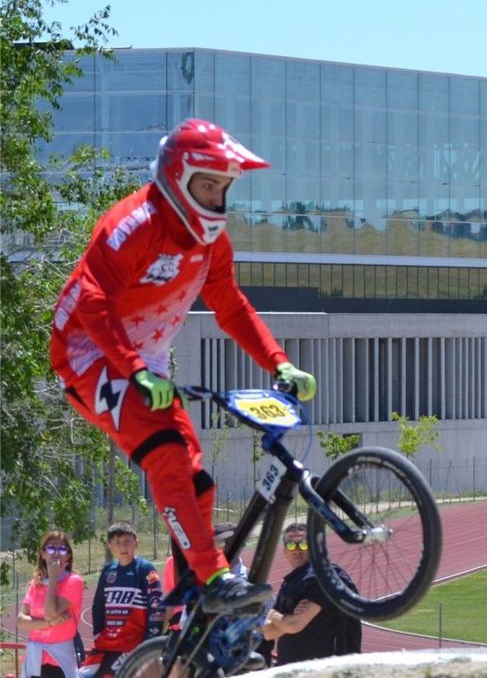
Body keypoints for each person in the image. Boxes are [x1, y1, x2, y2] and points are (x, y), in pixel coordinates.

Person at [49, 119, 317, 614]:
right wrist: (134, 369)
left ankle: (191, 590)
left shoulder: (213, 241)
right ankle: (215, 575)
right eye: (207, 184)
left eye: (224, 187)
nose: (216, 197)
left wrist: (278, 362)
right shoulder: (134, 223)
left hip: (140, 360)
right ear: (177, 177)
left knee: (197, 483)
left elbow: (231, 307)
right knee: (166, 452)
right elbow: (93, 301)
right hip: (88, 353)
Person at [260, 523, 361, 665]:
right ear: (284, 551)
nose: (296, 550)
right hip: (292, 668)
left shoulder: (324, 576)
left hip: (325, 668)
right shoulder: (290, 583)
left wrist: (272, 614)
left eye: (303, 544)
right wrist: (287, 619)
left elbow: (294, 625)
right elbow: (269, 632)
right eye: (291, 545)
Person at [82, 522, 164, 678]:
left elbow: (156, 606)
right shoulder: (108, 571)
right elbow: (98, 605)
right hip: (105, 643)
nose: (123, 547)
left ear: (136, 543)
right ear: (110, 547)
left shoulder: (145, 569)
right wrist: (98, 633)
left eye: (127, 541)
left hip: (132, 646)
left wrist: (148, 643)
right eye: (117, 543)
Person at [19, 530, 85, 678]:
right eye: (50, 548)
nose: (56, 553)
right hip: (35, 658)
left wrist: (53, 578)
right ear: (43, 554)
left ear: (68, 556)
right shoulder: (36, 583)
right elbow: (21, 621)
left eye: (62, 549)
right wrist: (49, 624)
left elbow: (50, 613)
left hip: (59, 660)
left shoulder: (74, 581)